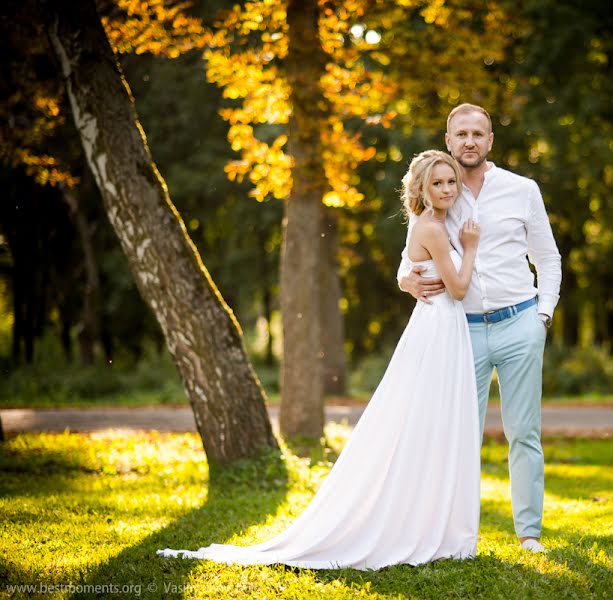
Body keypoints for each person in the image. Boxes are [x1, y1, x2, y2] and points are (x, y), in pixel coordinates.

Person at [158, 150, 483, 570]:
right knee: (429, 418)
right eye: (437, 183)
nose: (446, 189)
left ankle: (432, 521)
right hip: (439, 327)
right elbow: (457, 288)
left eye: (451, 182)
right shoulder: (435, 230)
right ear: (421, 188)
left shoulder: (433, 225)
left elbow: (408, 265)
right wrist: (471, 249)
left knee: (434, 421)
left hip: (438, 326)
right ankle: (424, 526)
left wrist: (406, 279)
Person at [398, 104, 562, 554]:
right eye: (461, 134)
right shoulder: (435, 190)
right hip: (458, 334)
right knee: (457, 434)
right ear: (449, 141)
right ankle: (454, 536)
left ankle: (529, 535)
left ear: (490, 140)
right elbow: (409, 258)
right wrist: (405, 280)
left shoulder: (522, 190)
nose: (469, 141)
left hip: (519, 324)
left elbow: (547, 259)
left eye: (478, 133)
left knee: (524, 433)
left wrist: (542, 317)